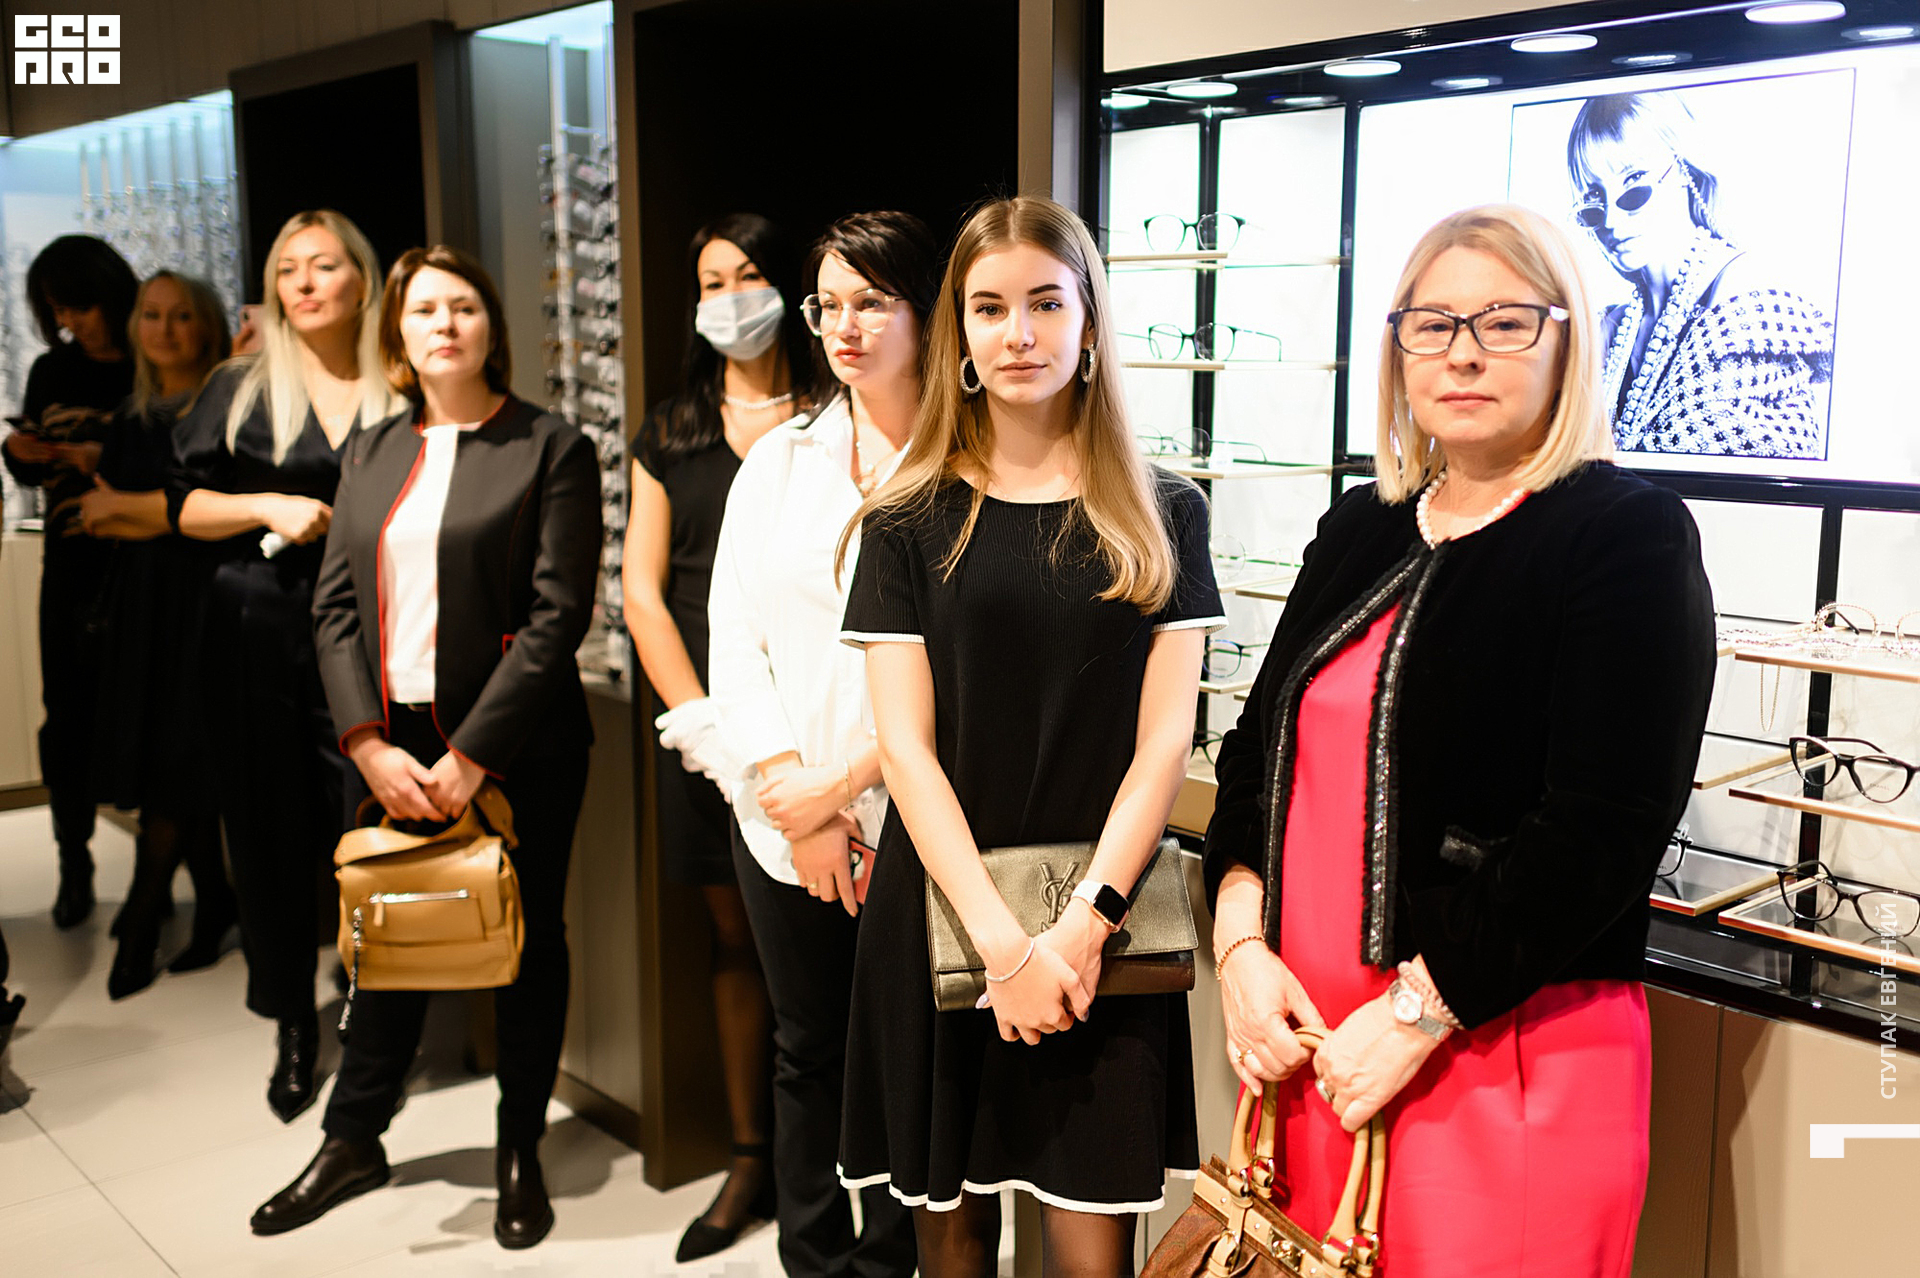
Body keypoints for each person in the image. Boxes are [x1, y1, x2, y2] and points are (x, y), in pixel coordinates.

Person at [1203, 204, 1715, 1278]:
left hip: (1501, 1047)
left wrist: (1413, 1015)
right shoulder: (1361, 526)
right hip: (1313, 1049)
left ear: (1568, 342)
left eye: (1505, 322)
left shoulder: (1623, 535)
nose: (1464, 353)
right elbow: (1255, 750)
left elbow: (1605, 829)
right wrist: (1240, 947)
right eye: (1432, 324)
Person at [836, 195, 1221, 1275]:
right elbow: (905, 751)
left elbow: (1162, 748)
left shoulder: (1163, 510)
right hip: (944, 913)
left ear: (1090, 323)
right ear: (958, 333)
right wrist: (1006, 950)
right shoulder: (906, 519)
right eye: (990, 307)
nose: (1020, 334)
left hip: (1103, 929)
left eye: (1047, 304)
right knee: (951, 1246)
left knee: (1093, 1251)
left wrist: (1079, 932)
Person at [256, 245, 601, 1248]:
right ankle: (352, 1138)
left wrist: (474, 755)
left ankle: (519, 1146)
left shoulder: (551, 446)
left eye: (463, 307)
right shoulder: (372, 449)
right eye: (423, 311)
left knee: (527, 943)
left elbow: (557, 616)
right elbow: (333, 609)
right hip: (389, 744)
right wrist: (365, 744)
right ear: (398, 338)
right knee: (382, 939)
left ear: (491, 326)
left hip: (516, 743)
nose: (444, 324)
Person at [707, 210, 937, 1278]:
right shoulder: (780, 460)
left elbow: (965, 671)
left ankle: (890, 1263)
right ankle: (809, 1258)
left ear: (925, 311)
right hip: (783, 816)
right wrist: (793, 796)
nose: (844, 327)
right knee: (805, 1050)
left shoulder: (969, 464)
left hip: (921, 817)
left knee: (902, 1061)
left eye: (871, 302)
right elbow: (734, 635)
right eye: (827, 305)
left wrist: (849, 783)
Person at [168, 210, 404, 1122]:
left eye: (324, 265)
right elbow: (181, 506)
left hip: (371, 635)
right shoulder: (239, 387)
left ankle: (374, 1014)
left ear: (361, 279)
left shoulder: (400, 382)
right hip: (256, 630)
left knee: (366, 825)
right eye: (288, 268)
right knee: (265, 832)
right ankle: (293, 1023)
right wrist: (266, 503)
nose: (304, 283)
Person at [621, 212, 815, 1261]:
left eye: (749, 275)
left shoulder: (835, 414)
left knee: (825, 954)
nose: (732, 296)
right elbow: (644, 595)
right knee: (735, 943)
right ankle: (751, 1160)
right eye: (712, 281)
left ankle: (833, 1164)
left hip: (819, 733)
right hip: (704, 738)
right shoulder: (672, 431)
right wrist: (704, 728)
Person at [77, 270, 237, 999]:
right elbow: (99, 515)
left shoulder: (228, 409)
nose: (164, 330)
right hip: (145, 610)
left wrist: (147, 512)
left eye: (180, 316)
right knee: (169, 758)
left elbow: (218, 513)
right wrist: (165, 513)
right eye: (151, 315)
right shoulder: (133, 416)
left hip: (207, 604)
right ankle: (215, 904)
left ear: (206, 326)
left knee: (181, 757)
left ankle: (143, 921)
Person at [1565, 91, 1833, 458]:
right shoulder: (1609, 330)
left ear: (1685, 171)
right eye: (1594, 205)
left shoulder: (1749, 306)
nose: (1611, 221)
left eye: (1634, 187)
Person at [2, 235, 138, 929]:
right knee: (67, 718)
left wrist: (102, 456)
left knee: (147, 711)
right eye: (55, 311)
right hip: (71, 564)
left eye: (76, 307)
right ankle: (74, 862)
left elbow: (177, 459)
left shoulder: (147, 361)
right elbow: (31, 460)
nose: (67, 323)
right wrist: (19, 450)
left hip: (141, 562)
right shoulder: (52, 369)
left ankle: (163, 870)